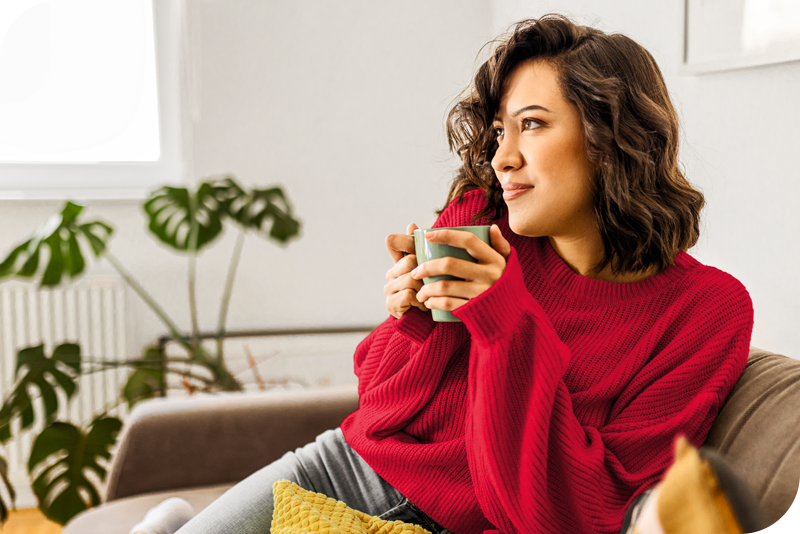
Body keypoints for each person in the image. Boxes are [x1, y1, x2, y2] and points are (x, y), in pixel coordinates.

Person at [133, 13, 753, 534]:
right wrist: (412, 323)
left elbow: (586, 511)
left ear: (613, 136)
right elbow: (380, 409)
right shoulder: (482, 220)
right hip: (344, 466)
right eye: (499, 131)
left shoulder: (706, 311)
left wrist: (506, 322)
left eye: (532, 124)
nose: (503, 158)